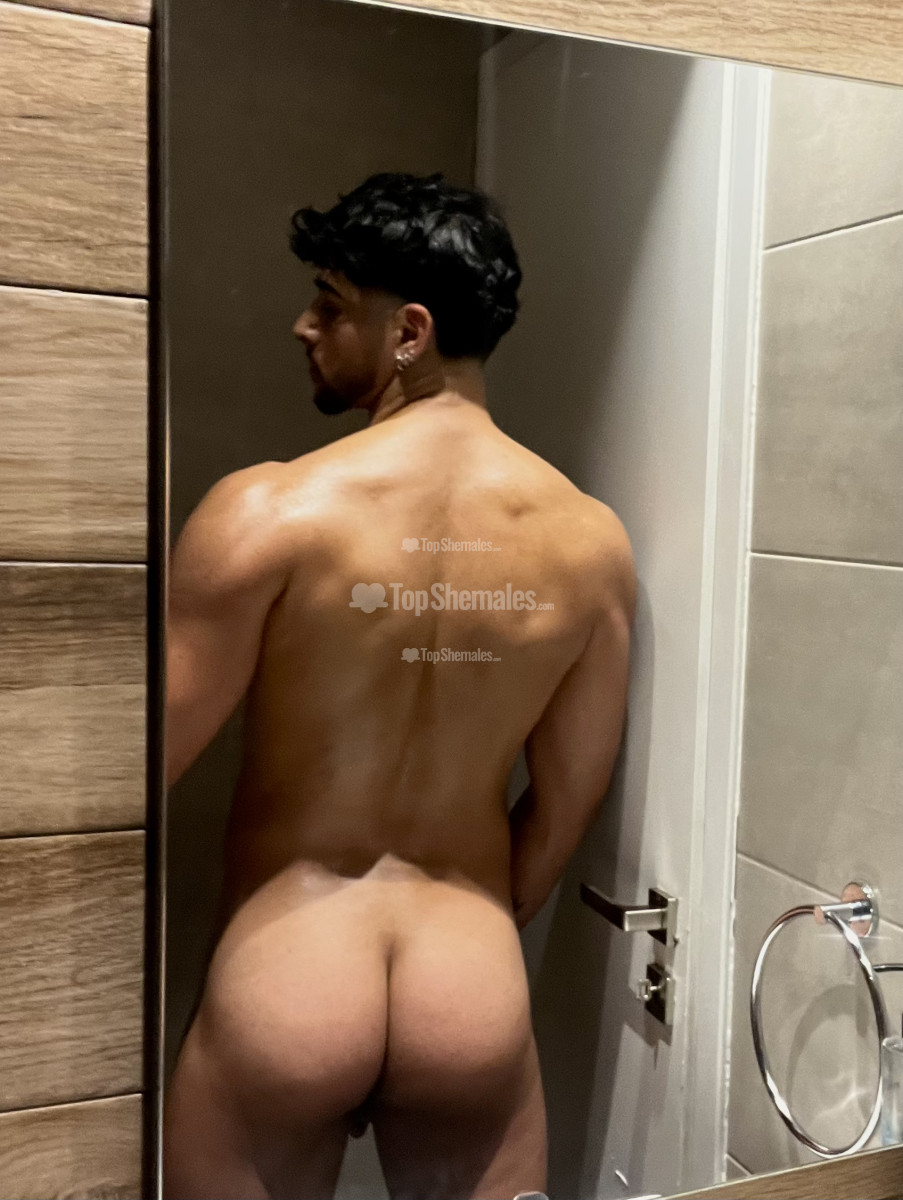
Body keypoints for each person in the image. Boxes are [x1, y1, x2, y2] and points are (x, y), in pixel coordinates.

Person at [162, 171, 636, 1200]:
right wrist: (469, 934)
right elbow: (562, 810)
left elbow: (126, 779)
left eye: (330, 304)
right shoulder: (591, 546)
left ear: (409, 332)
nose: (303, 326)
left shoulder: (269, 513)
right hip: (468, 976)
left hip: (288, 964)